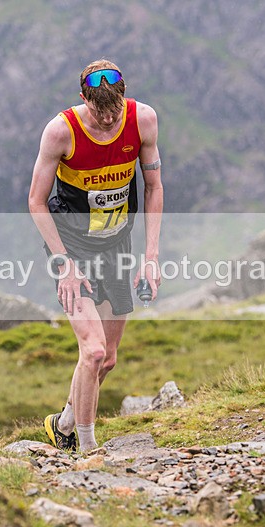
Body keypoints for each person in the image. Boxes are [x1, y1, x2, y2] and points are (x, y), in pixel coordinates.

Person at [28, 59, 163, 452]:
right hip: (72, 247)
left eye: (113, 110)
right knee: (94, 349)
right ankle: (88, 451)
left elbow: (154, 187)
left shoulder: (143, 121)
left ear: (123, 96)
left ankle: (64, 424)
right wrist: (63, 263)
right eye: (98, 110)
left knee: (108, 361)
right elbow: (36, 202)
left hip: (117, 245)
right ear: (83, 98)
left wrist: (151, 255)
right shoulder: (60, 132)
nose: (107, 119)